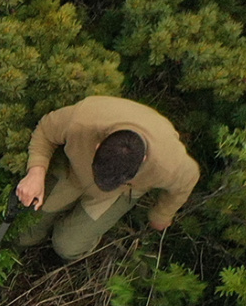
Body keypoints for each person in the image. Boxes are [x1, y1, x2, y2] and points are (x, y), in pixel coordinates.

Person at [13, 95, 199, 261]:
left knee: (68, 247)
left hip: (117, 193)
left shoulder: (169, 164)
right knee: (24, 233)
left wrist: (161, 215)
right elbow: (45, 130)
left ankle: (70, 240)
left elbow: (187, 181)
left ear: (142, 160)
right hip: (74, 171)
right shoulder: (82, 120)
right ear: (98, 145)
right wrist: (36, 172)